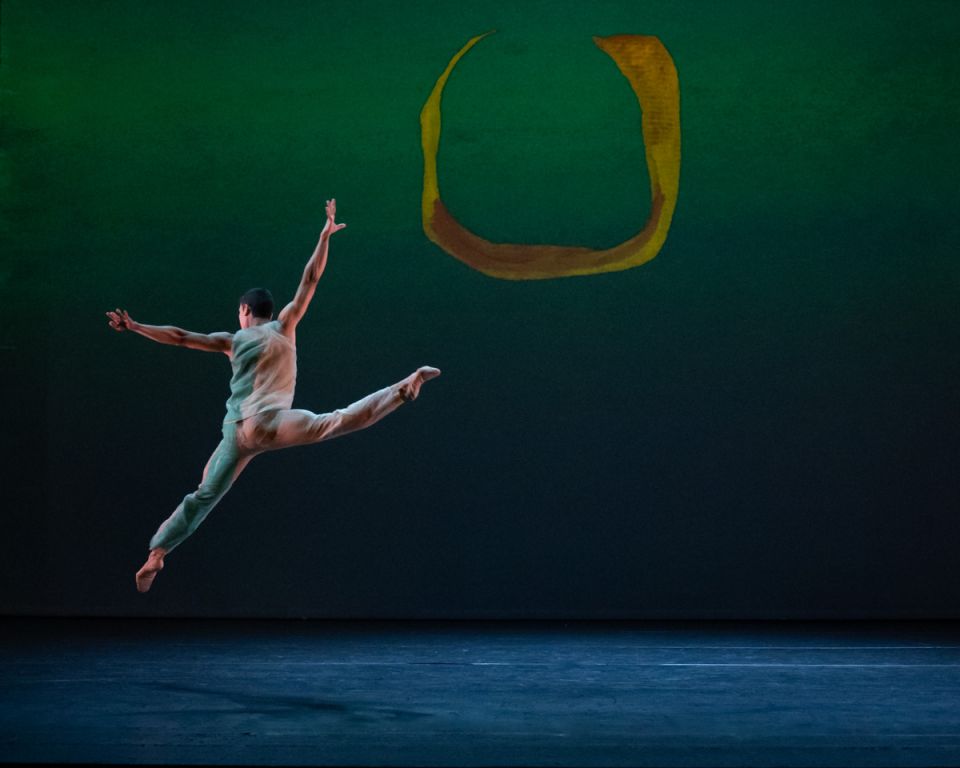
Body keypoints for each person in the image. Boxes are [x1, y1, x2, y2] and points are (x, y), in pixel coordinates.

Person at [106, 199, 440, 592]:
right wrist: (324, 237)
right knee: (335, 422)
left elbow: (180, 337)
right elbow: (310, 280)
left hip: (237, 433)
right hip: (272, 424)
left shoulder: (232, 340)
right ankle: (401, 389)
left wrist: (136, 326)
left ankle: (157, 553)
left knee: (204, 494)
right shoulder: (284, 327)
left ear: (245, 310)